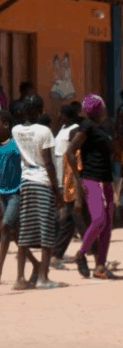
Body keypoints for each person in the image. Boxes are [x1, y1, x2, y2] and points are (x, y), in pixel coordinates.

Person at [0, 110, 40, 285]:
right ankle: (34, 265)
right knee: (14, 233)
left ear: (6, 126)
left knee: (7, 225)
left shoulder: (17, 143)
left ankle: (2, 270)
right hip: (3, 193)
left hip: (18, 192)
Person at [13, 94, 63, 290]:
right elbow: (49, 163)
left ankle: (19, 278)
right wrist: (57, 192)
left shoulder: (16, 130)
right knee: (46, 231)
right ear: (41, 111)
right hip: (43, 182)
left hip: (26, 182)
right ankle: (43, 276)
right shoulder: (45, 132)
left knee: (25, 231)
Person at [66, 94, 117, 280]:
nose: (104, 109)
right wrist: (78, 179)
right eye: (102, 106)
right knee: (98, 219)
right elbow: (70, 151)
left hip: (106, 180)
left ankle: (101, 266)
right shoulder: (86, 126)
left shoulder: (102, 128)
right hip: (91, 179)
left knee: (107, 226)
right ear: (98, 108)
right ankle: (81, 254)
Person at [50, 102, 84, 268]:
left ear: (66, 115)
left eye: (61, 114)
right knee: (69, 216)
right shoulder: (63, 128)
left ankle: (57, 254)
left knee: (70, 216)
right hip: (60, 174)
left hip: (69, 175)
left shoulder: (74, 129)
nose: (59, 116)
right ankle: (56, 253)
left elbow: (74, 155)